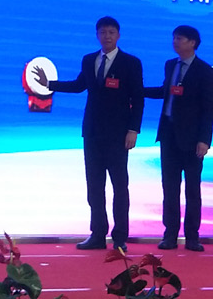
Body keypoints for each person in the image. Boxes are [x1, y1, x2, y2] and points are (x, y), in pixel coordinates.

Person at [32, 16, 144, 252]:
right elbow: (78, 85)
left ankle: (120, 237)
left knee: (119, 186)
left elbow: (138, 99)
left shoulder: (131, 62)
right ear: (97, 35)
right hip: (92, 132)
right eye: (103, 32)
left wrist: (133, 130)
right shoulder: (89, 59)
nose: (107, 36)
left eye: (111, 32)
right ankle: (97, 234)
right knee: (94, 185)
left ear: (118, 35)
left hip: (118, 134)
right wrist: (49, 84)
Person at [140, 25, 213, 251]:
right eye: (174, 38)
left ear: (193, 42)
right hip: (169, 135)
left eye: (180, 38)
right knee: (170, 188)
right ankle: (170, 235)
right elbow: (164, 91)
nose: (175, 42)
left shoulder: (205, 70)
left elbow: (208, 108)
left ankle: (192, 237)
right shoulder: (170, 65)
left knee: (192, 189)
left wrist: (204, 140)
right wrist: (136, 90)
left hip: (192, 139)